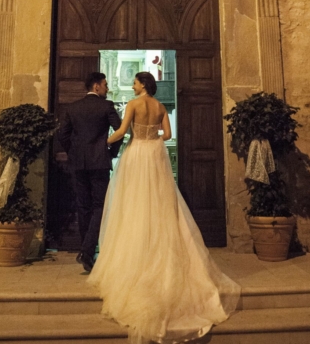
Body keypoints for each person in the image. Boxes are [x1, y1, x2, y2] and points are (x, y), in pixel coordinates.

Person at [88, 71, 240, 343]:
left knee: (134, 200)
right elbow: (167, 134)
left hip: (137, 153)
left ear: (143, 84)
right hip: (154, 152)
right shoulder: (159, 106)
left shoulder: (134, 105)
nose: (133, 86)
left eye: (135, 82)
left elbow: (122, 132)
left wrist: (101, 144)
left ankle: (137, 246)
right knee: (158, 199)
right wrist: (152, 131)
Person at [57, 72, 123, 273]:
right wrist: (110, 152)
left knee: (84, 206)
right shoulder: (106, 106)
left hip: (78, 163)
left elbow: (62, 135)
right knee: (99, 206)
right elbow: (119, 131)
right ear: (96, 86)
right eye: (105, 84)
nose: (107, 88)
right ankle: (87, 251)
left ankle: (87, 251)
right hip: (99, 162)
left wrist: (73, 153)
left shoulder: (73, 108)